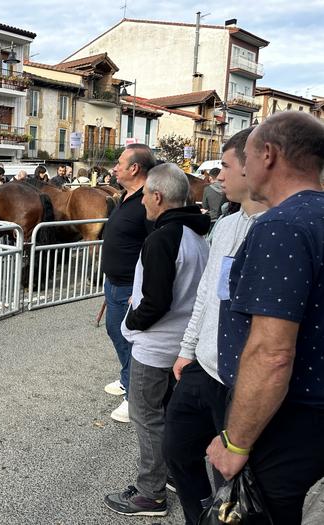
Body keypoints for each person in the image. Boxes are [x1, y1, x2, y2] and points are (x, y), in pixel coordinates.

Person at [205, 112, 324, 524]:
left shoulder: (281, 226)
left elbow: (272, 353)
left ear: (268, 155)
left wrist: (236, 443)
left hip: (289, 421)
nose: (242, 168)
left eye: (248, 156)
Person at [163, 127, 267, 525]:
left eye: (225, 166)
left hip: (240, 381)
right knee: (178, 450)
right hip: (200, 368)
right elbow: (207, 294)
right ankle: (197, 518)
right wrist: (186, 350)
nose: (218, 176)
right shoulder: (224, 224)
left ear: (252, 166)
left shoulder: (280, 228)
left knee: (231, 474)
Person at [104, 163, 210, 517]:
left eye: (147, 195)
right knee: (165, 414)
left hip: (156, 347)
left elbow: (156, 301)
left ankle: (150, 493)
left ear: (158, 197)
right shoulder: (196, 237)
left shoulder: (163, 238)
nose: (144, 201)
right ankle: (171, 475)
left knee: (147, 416)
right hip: (180, 345)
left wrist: (130, 321)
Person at [100, 144, 156, 423]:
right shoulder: (125, 196)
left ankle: (134, 397)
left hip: (131, 287)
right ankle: (127, 379)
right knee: (115, 331)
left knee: (130, 339)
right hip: (115, 283)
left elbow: (155, 247)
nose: (115, 167)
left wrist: (142, 289)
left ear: (134, 168)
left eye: (120, 163)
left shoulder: (149, 200)